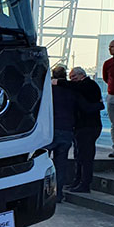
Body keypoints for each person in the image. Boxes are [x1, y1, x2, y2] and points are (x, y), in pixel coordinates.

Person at [67, 67, 104, 193]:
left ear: (81, 75)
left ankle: (84, 183)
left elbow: (86, 105)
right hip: (83, 126)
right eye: (70, 77)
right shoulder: (83, 87)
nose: (71, 80)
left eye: (73, 77)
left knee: (85, 156)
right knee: (79, 155)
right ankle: (78, 181)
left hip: (88, 126)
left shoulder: (88, 86)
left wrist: (58, 82)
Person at [46, 65, 77, 203]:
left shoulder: (49, 90)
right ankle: (58, 195)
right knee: (61, 164)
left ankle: (44, 193)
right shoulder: (72, 90)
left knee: (44, 162)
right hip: (67, 129)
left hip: (50, 130)